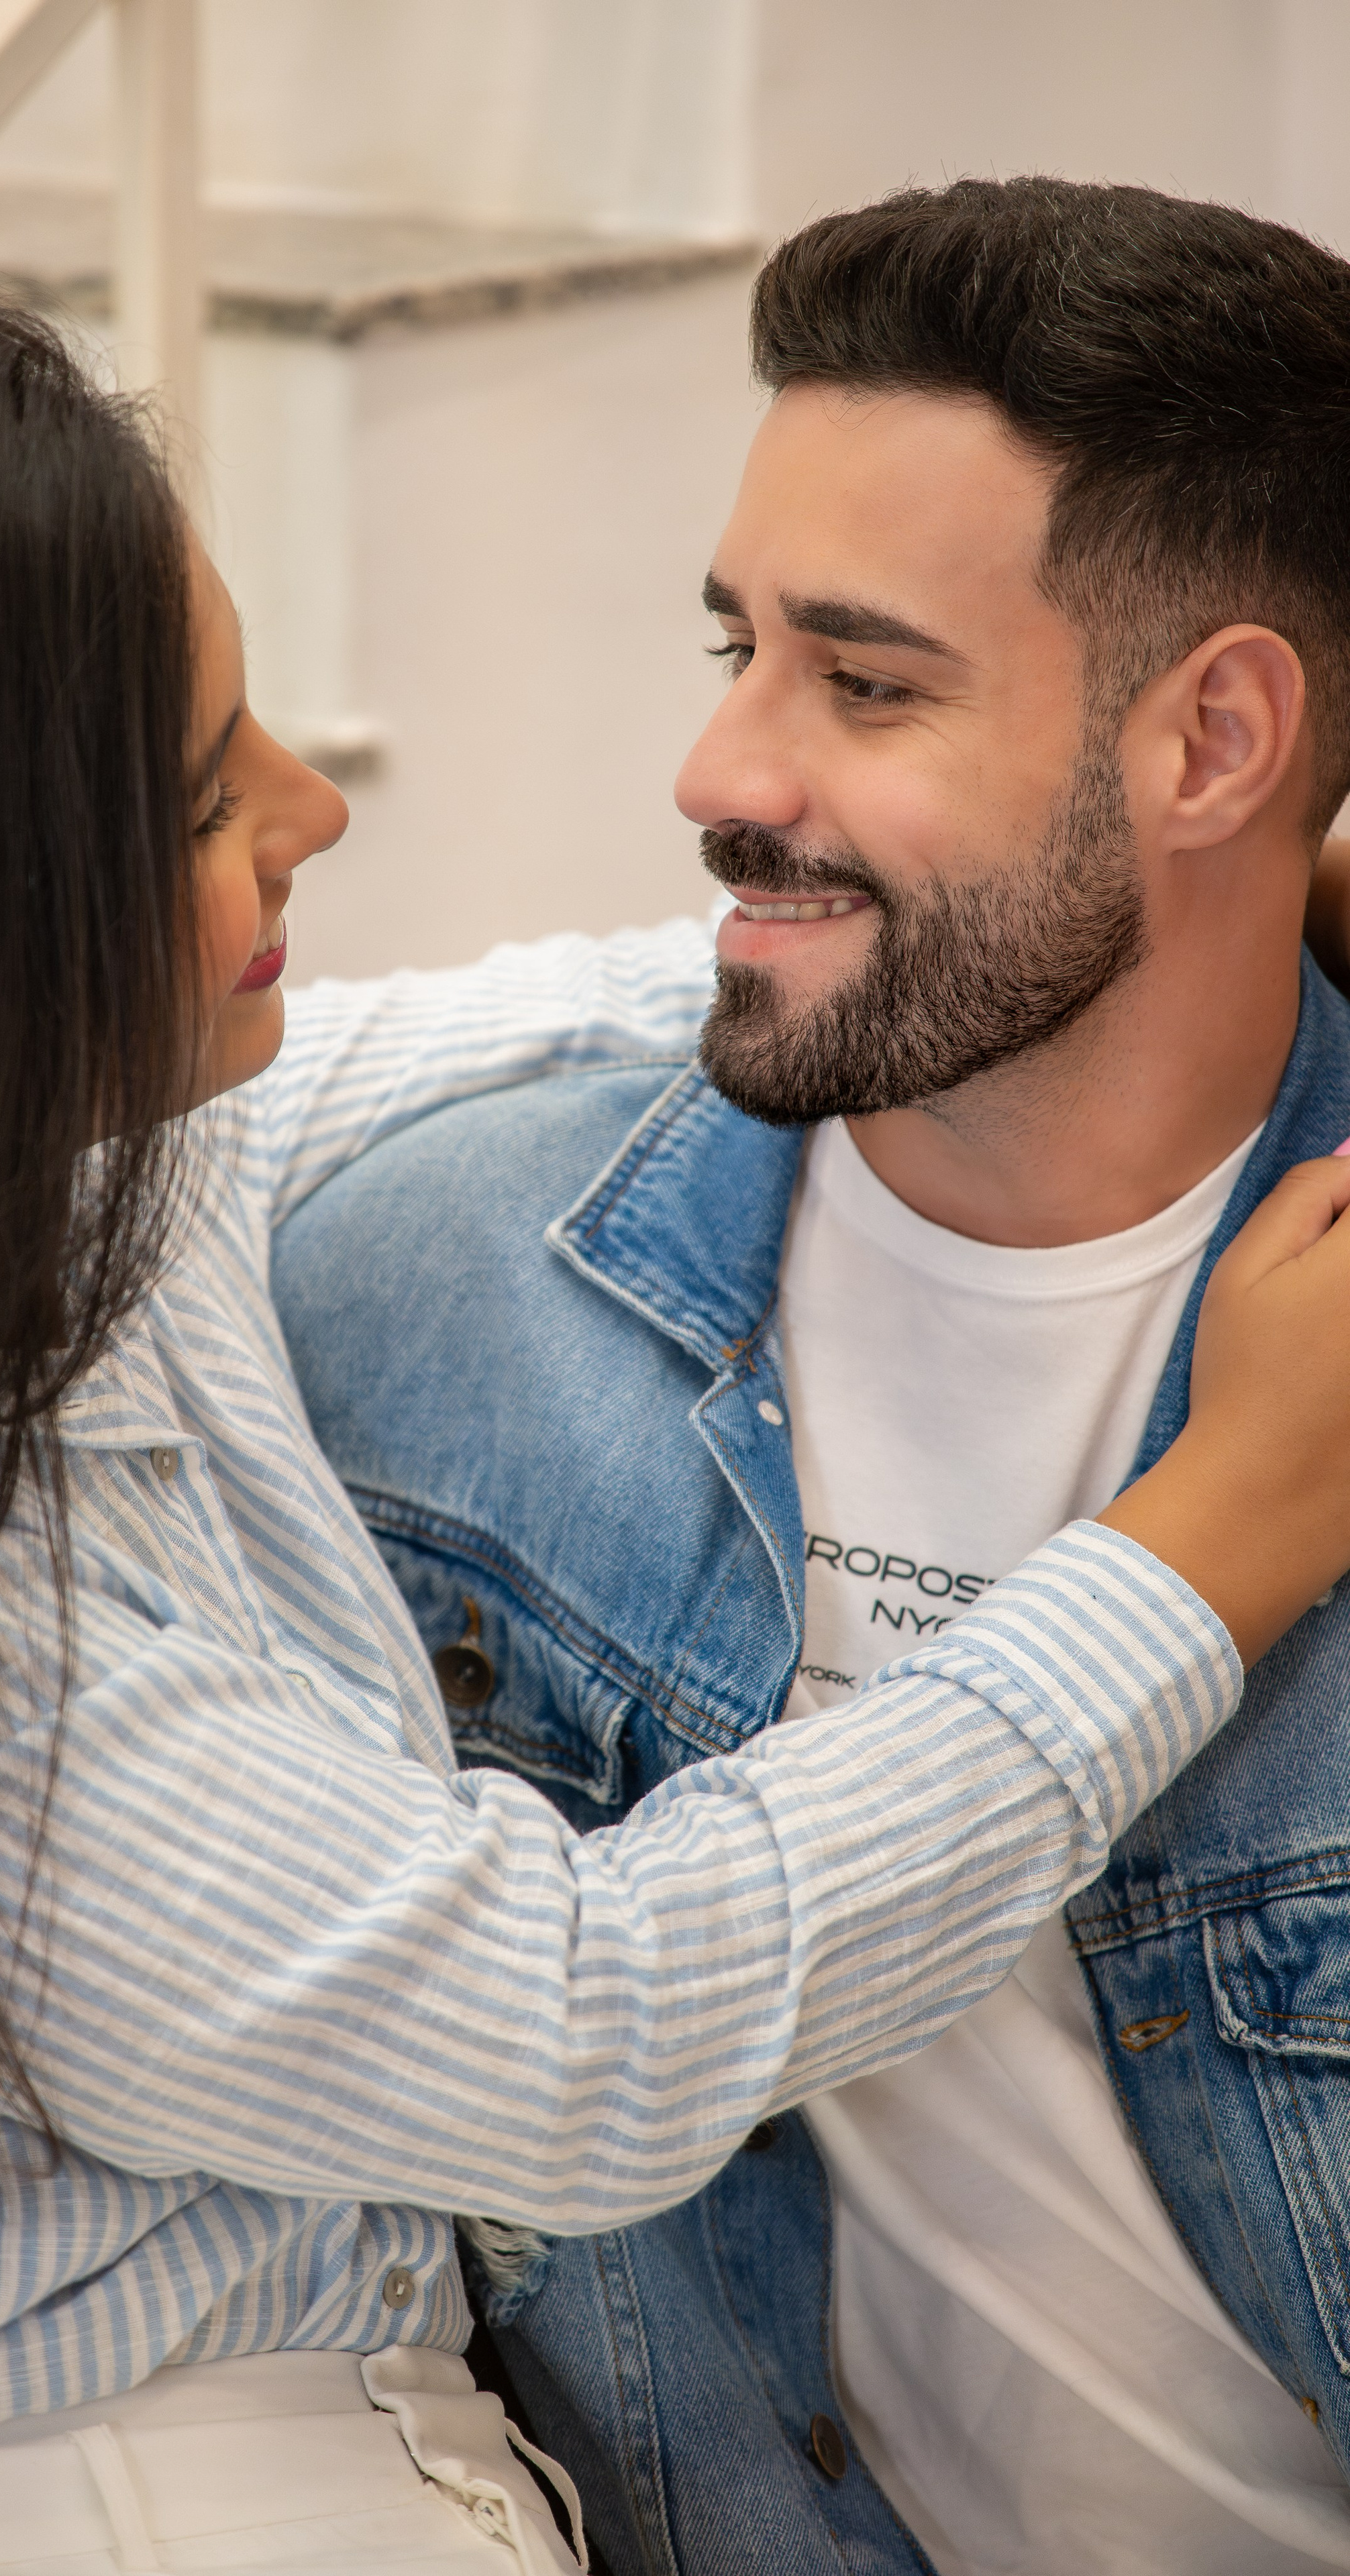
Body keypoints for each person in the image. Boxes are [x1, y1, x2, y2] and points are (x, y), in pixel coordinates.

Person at [0, 292, 1349, 2576]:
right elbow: (587, 2027)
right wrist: (1220, 1527)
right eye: (206, 786)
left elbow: (532, 1010)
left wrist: (1210, 887)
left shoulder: (69, 1198)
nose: (320, 810)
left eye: (858, 675)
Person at [269, 178, 1350, 2575]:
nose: (719, 768)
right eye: (735, 643)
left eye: (864, 685)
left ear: (1219, 740)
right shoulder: (418, 1317)